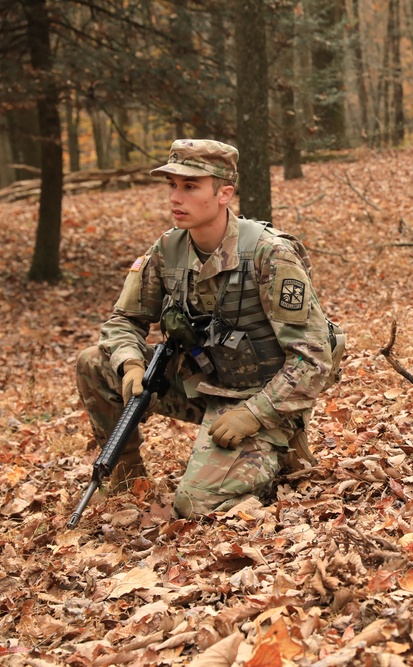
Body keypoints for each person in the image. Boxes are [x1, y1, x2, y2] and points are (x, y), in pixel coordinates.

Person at [76, 139, 336, 518]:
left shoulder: (268, 254)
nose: (175, 198)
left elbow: (313, 358)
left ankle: (279, 450)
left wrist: (255, 414)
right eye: (172, 186)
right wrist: (131, 363)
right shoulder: (168, 249)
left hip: (261, 397)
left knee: (195, 505)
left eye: (190, 186)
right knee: (93, 363)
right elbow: (123, 321)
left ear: (223, 193)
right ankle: (127, 477)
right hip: (202, 381)